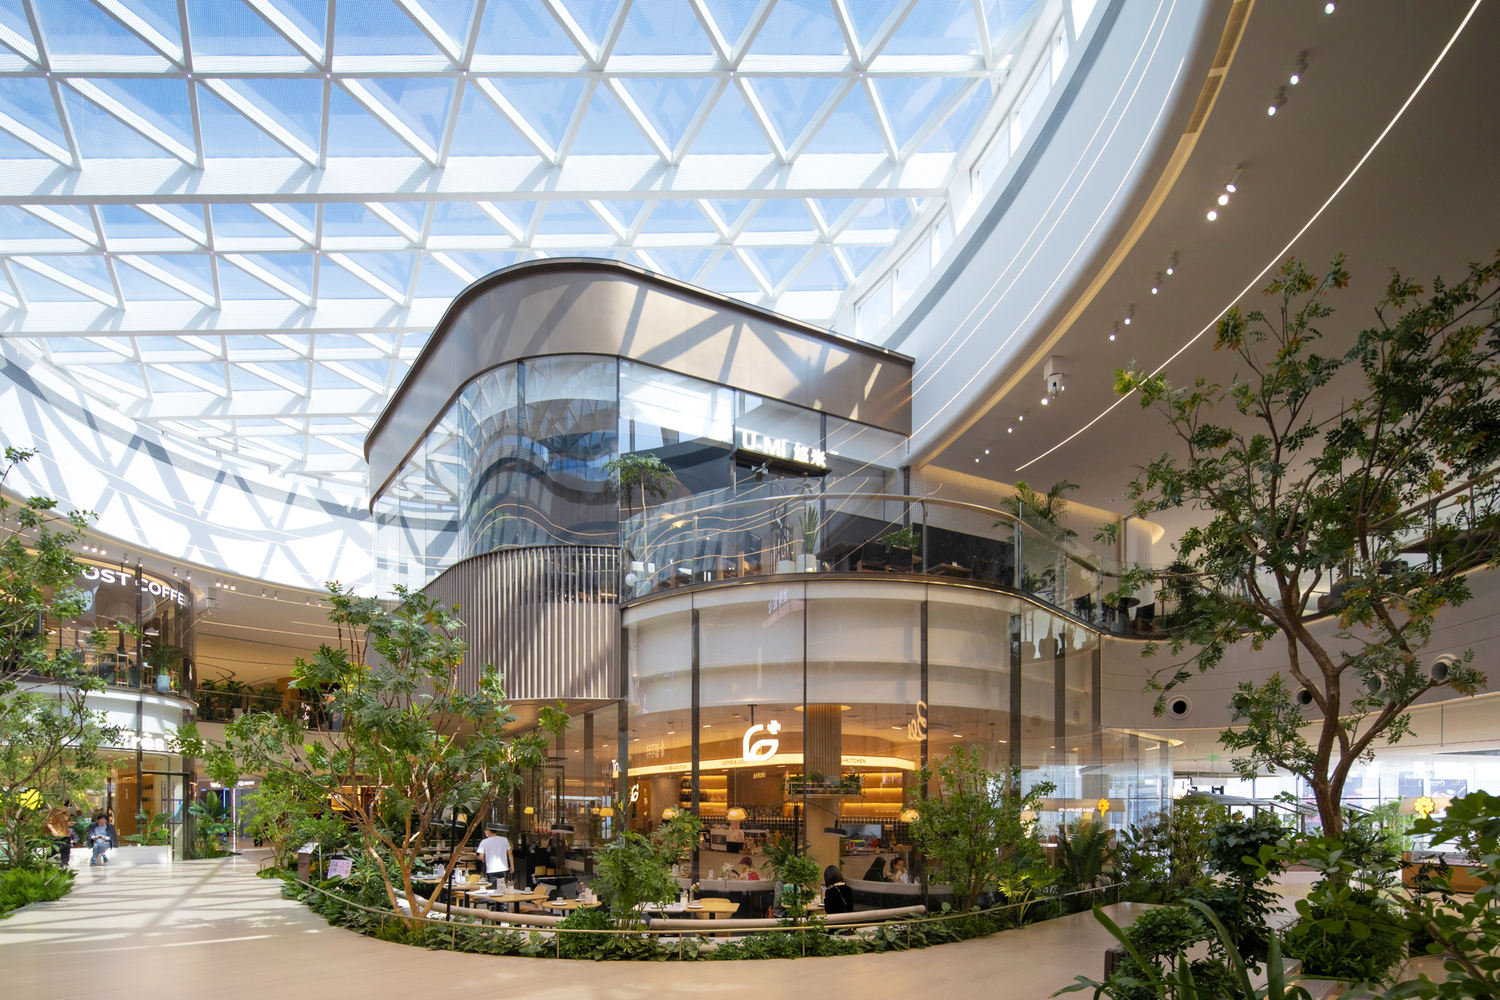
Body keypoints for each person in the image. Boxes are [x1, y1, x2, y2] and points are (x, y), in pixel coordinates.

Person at [476, 824, 513, 889]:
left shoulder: (484, 842)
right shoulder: (504, 840)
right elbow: (510, 853)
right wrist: (512, 866)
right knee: (503, 887)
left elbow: (481, 856)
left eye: (485, 830)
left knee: (493, 888)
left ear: (488, 831)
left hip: (491, 868)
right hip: (503, 868)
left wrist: (485, 860)